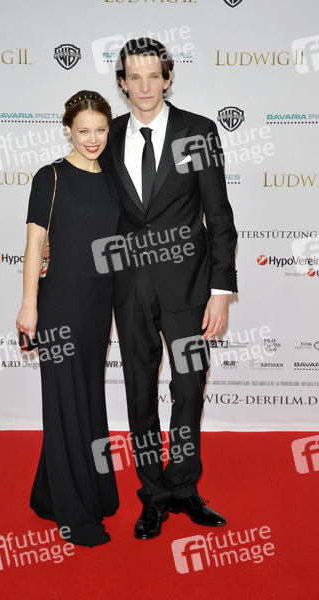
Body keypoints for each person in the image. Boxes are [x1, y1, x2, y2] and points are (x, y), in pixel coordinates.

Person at [100, 39, 238, 539]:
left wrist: (221, 290)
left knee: (188, 388)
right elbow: (93, 206)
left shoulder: (198, 131)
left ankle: (184, 486)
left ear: (168, 78)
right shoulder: (108, 135)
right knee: (139, 390)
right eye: (134, 77)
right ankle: (154, 494)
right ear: (122, 83)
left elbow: (218, 214)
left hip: (190, 286)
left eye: (153, 76)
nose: (144, 87)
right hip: (129, 285)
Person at [16, 90, 120, 547]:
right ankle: (75, 514)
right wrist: (29, 304)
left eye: (100, 130)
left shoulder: (113, 177)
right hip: (60, 303)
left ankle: (59, 493)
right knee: (64, 403)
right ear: (68, 131)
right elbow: (34, 245)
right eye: (83, 131)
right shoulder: (51, 177)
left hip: (99, 304)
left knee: (88, 398)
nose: (92, 139)